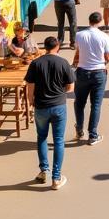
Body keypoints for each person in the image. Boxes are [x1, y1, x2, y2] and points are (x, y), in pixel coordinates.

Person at [25, 36, 76, 190]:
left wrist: (30, 100)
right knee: (59, 140)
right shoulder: (63, 63)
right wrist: (60, 93)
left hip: (41, 106)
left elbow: (30, 86)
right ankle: (56, 177)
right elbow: (71, 87)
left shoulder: (36, 63)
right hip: (59, 106)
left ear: (45, 47)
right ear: (57, 46)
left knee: (42, 137)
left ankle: (43, 171)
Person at [73, 11, 109, 145]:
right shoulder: (105, 37)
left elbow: (78, 51)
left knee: (79, 103)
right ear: (100, 22)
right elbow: (108, 56)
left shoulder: (79, 35)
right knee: (96, 105)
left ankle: (79, 129)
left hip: (82, 72)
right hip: (99, 72)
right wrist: (103, 62)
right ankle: (92, 134)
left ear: (89, 21)